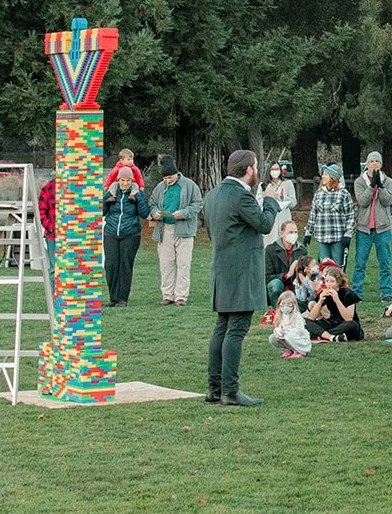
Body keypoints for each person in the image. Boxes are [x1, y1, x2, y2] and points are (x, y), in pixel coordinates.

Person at [204, 149, 281, 407]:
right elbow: (264, 224)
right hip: (241, 272)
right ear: (249, 169)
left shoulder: (213, 195)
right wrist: (270, 200)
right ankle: (230, 391)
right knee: (235, 330)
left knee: (222, 328)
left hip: (222, 269)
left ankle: (215, 389)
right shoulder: (241, 196)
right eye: (256, 166)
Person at [148, 156, 203, 307]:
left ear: (176, 173)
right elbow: (152, 204)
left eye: (169, 177)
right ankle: (167, 295)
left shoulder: (190, 185)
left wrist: (184, 213)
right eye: (165, 178)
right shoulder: (160, 187)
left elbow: (198, 204)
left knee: (183, 263)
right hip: (165, 229)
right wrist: (155, 213)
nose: (167, 180)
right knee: (166, 264)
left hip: (184, 230)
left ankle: (181, 296)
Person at [102, 165, 150, 307]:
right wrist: (106, 201)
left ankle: (122, 298)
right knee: (110, 265)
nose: (125, 183)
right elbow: (102, 212)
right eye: (122, 180)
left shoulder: (137, 193)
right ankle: (113, 297)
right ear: (118, 180)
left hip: (130, 234)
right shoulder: (111, 191)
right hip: (111, 232)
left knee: (125, 265)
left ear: (132, 180)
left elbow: (144, 213)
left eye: (128, 180)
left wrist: (138, 199)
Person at [352, 152, 392, 302]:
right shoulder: (360, 181)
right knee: (360, 263)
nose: (374, 164)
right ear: (367, 164)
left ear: (381, 164)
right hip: (364, 228)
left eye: (377, 161)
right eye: (371, 161)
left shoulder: (388, 181)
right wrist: (372, 187)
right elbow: (362, 201)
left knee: (384, 262)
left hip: (382, 228)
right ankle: (357, 293)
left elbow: (388, 201)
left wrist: (381, 186)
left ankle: (386, 292)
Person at [305, 164, 354, 266]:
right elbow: (313, 215)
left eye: (326, 174)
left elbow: (350, 216)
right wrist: (308, 233)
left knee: (337, 267)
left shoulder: (344, 194)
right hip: (322, 236)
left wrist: (348, 234)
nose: (323, 177)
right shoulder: (318, 193)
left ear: (333, 177)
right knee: (324, 266)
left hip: (338, 237)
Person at [305, 268, 365, 342]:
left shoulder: (348, 294)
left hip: (346, 324)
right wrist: (320, 301)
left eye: (332, 281)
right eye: (327, 281)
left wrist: (337, 299)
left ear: (339, 282)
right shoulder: (325, 293)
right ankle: (331, 337)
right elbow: (311, 317)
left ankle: (321, 335)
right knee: (304, 321)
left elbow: (348, 318)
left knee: (352, 324)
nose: (329, 284)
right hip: (332, 322)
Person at [259, 161, 297, 248]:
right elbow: (258, 202)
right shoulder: (263, 185)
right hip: (270, 219)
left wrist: (283, 197)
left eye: (277, 169)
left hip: (284, 218)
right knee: (269, 245)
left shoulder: (287, 183)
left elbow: (293, 202)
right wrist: (268, 197)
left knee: (284, 244)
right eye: (272, 169)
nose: (275, 171)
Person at [269, 291, 311, 359]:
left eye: (288, 304)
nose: (286, 306)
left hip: (298, 339)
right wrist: (279, 331)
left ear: (293, 305)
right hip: (287, 338)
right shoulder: (281, 315)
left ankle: (299, 351)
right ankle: (288, 350)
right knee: (273, 338)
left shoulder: (297, 316)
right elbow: (279, 327)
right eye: (283, 304)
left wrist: (288, 331)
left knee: (290, 335)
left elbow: (300, 330)